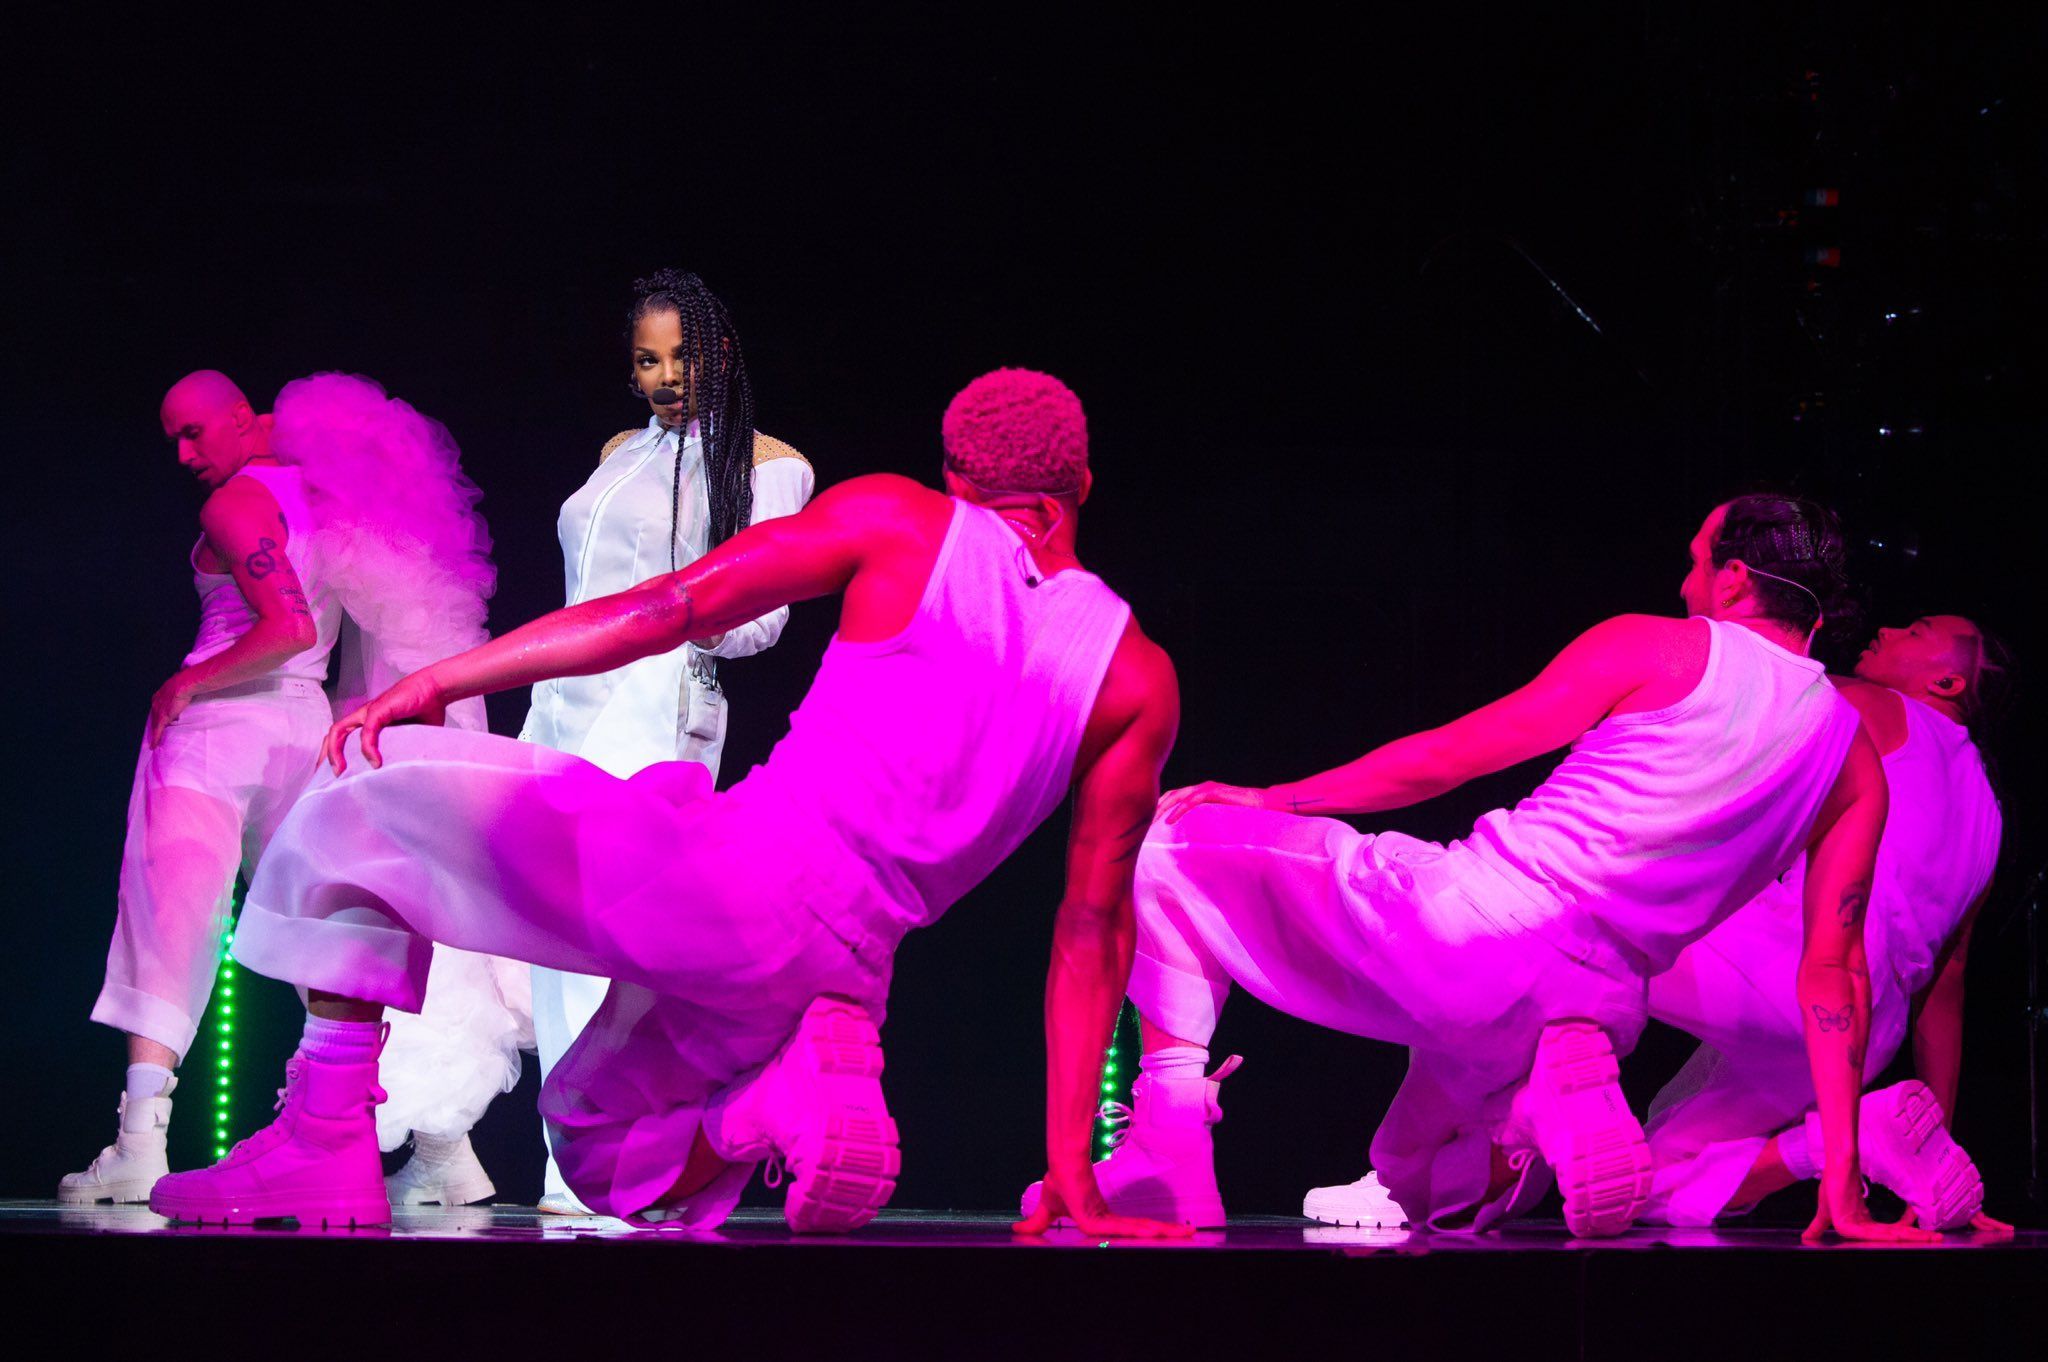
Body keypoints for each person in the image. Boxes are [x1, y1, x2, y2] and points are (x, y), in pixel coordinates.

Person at [148, 368, 1189, 1239]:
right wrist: (1071, 1180)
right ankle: (757, 1111)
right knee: (597, 1147)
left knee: (361, 794)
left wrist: (443, 680)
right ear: (1081, 483)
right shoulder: (1136, 678)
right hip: (845, 972)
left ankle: (326, 1142)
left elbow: (669, 608)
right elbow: (1090, 930)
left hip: (735, 882)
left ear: (954, 474)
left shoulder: (905, 519)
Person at [1052, 495, 1932, 1243]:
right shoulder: (1854, 763)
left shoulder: (1658, 646)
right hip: (1598, 999)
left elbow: (1447, 758)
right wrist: (1842, 1178)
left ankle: (1168, 1140)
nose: (1686, 580)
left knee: (1162, 841)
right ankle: (1533, 1102)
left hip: (1476, 924)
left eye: (1697, 561)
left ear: (1735, 579)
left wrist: (1273, 797)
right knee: (1416, 1185)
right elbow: (1834, 973)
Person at [376, 270, 814, 1212]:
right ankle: (562, 1158)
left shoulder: (770, 465)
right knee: (543, 929)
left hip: (657, 707)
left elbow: (760, 622)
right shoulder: (620, 450)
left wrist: (682, 620)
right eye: (646, 361)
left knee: (615, 933)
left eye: (682, 356)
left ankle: (618, 1157)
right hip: (566, 700)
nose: (664, 377)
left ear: (721, 352)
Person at [62, 370, 493, 1205]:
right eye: (174, 441)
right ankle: (426, 1134)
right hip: (304, 727)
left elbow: (285, 625)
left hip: (220, 729)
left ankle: (139, 1144)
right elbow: (352, 623)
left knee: (170, 916)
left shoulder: (231, 506)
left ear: (239, 418)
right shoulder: (328, 497)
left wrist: (184, 686)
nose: (186, 455)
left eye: (195, 433)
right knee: (322, 936)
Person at [1638, 615, 2011, 1233]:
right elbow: (1944, 994)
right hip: (1867, 1035)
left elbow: (1753, 679)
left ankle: (1497, 1115)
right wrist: (1933, 1145)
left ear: (1946, 682)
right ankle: (1838, 1143)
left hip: (1803, 960)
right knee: (1635, 1178)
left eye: (1915, 633)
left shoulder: (1875, 705)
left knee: (1568, 920)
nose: (1888, 629)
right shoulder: (1990, 820)